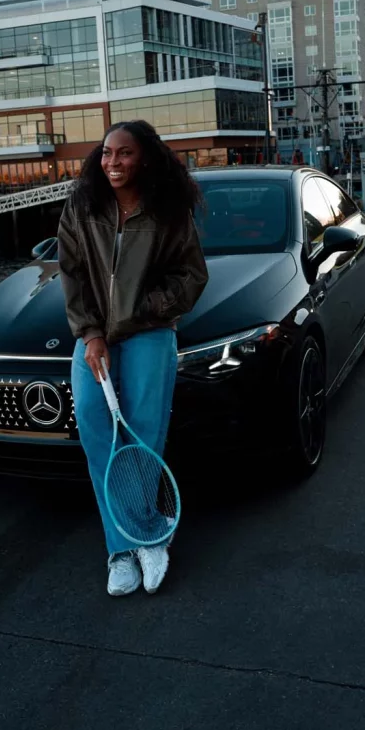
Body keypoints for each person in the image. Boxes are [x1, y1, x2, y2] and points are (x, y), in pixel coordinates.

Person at [57, 120, 208, 596]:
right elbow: (72, 273)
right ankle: (132, 540)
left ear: (144, 158)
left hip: (149, 334)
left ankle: (137, 542)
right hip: (96, 338)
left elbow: (191, 276)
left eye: (123, 154)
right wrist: (91, 333)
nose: (112, 163)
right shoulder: (83, 207)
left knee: (144, 436)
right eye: (106, 153)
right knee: (95, 431)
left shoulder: (168, 211)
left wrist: (145, 309)